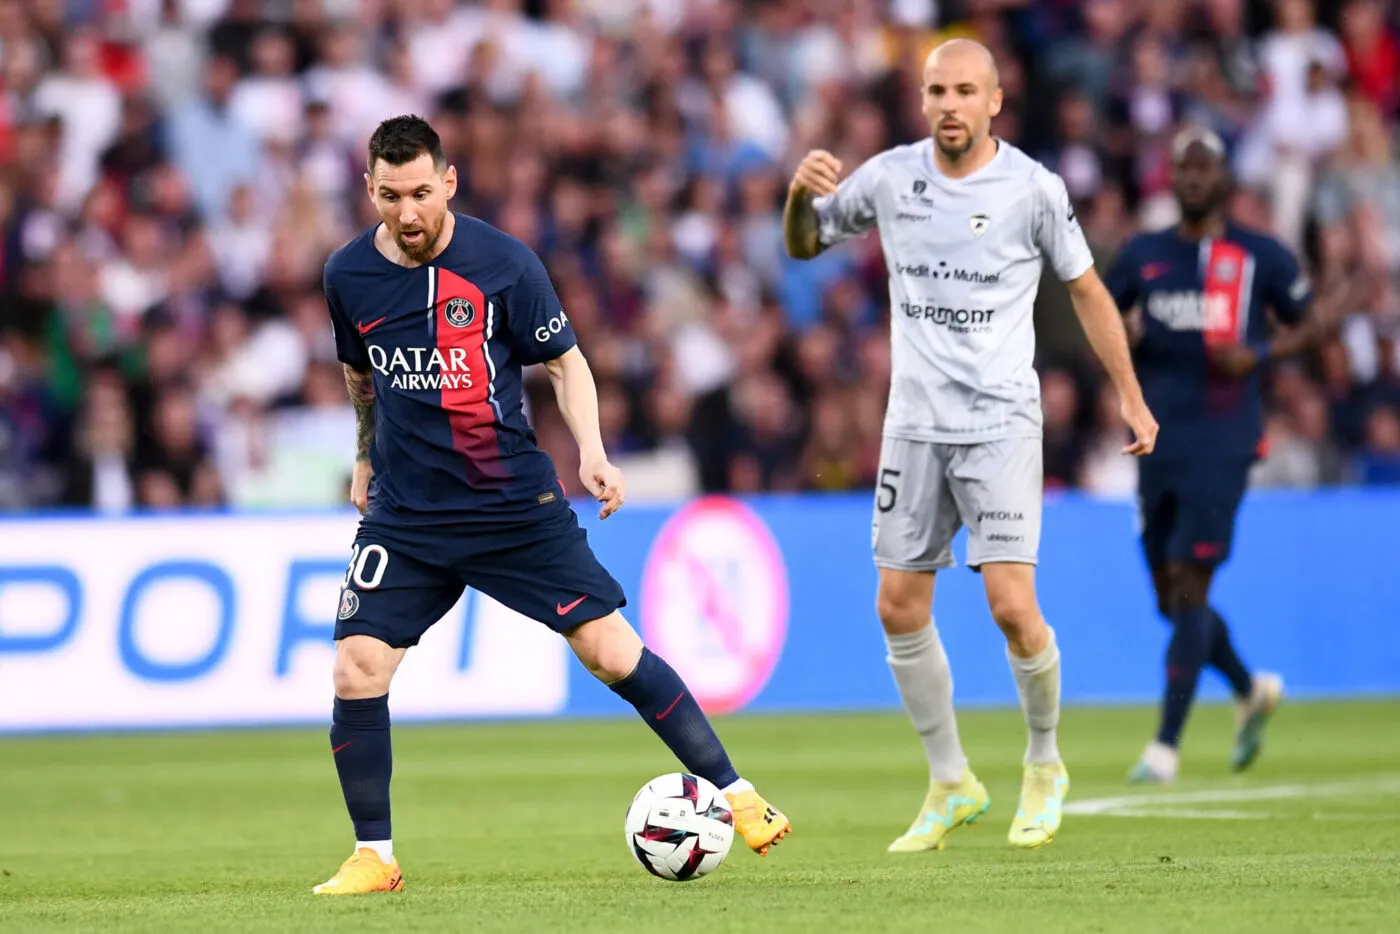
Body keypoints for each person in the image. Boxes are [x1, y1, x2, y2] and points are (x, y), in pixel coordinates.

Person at [312, 115, 790, 895]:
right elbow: (360, 374)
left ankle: (737, 795)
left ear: (450, 182)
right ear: (369, 189)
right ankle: (374, 856)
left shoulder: (504, 262)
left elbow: (565, 365)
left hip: (511, 507)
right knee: (357, 668)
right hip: (408, 515)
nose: (408, 212)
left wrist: (593, 451)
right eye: (391, 196)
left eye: (422, 193)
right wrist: (364, 455)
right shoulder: (346, 275)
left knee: (609, 652)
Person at [783, 39, 1158, 851]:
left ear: (995, 101)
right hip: (913, 422)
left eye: (964, 91)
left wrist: (1128, 393)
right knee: (897, 604)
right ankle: (951, 781)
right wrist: (793, 198)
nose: (949, 104)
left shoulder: (1032, 189)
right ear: (922, 101)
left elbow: (1087, 289)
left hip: (999, 423)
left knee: (1012, 607)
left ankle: (1045, 764)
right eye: (935, 91)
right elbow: (806, 241)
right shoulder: (890, 177)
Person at [1105, 126, 1329, 783]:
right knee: (1171, 601)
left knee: (1193, 583)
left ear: (1225, 178)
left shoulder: (1260, 255)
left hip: (1224, 442)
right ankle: (1248, 687)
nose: (1194, 177)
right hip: (1154, 441)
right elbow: (1101, 314)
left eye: (1205, 167)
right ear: (1171, 179)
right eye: (1184, 168)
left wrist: (1259, 354)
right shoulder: (1142, 255)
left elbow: (1311, 325)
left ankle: (1165, 747)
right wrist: (1117, 347)